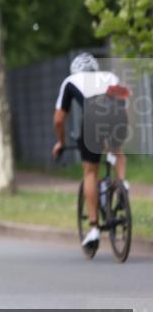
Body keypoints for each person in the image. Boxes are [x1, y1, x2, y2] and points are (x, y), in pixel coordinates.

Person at [51, 52, 129, 249]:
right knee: (117, 152)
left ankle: (94, 228)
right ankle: (122, 186)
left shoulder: (70, 81)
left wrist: (61, 141)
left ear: (75, 70)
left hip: (93, 120)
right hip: (118, 117)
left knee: (90, 172)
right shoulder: (110, 77)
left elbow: (59, 119)